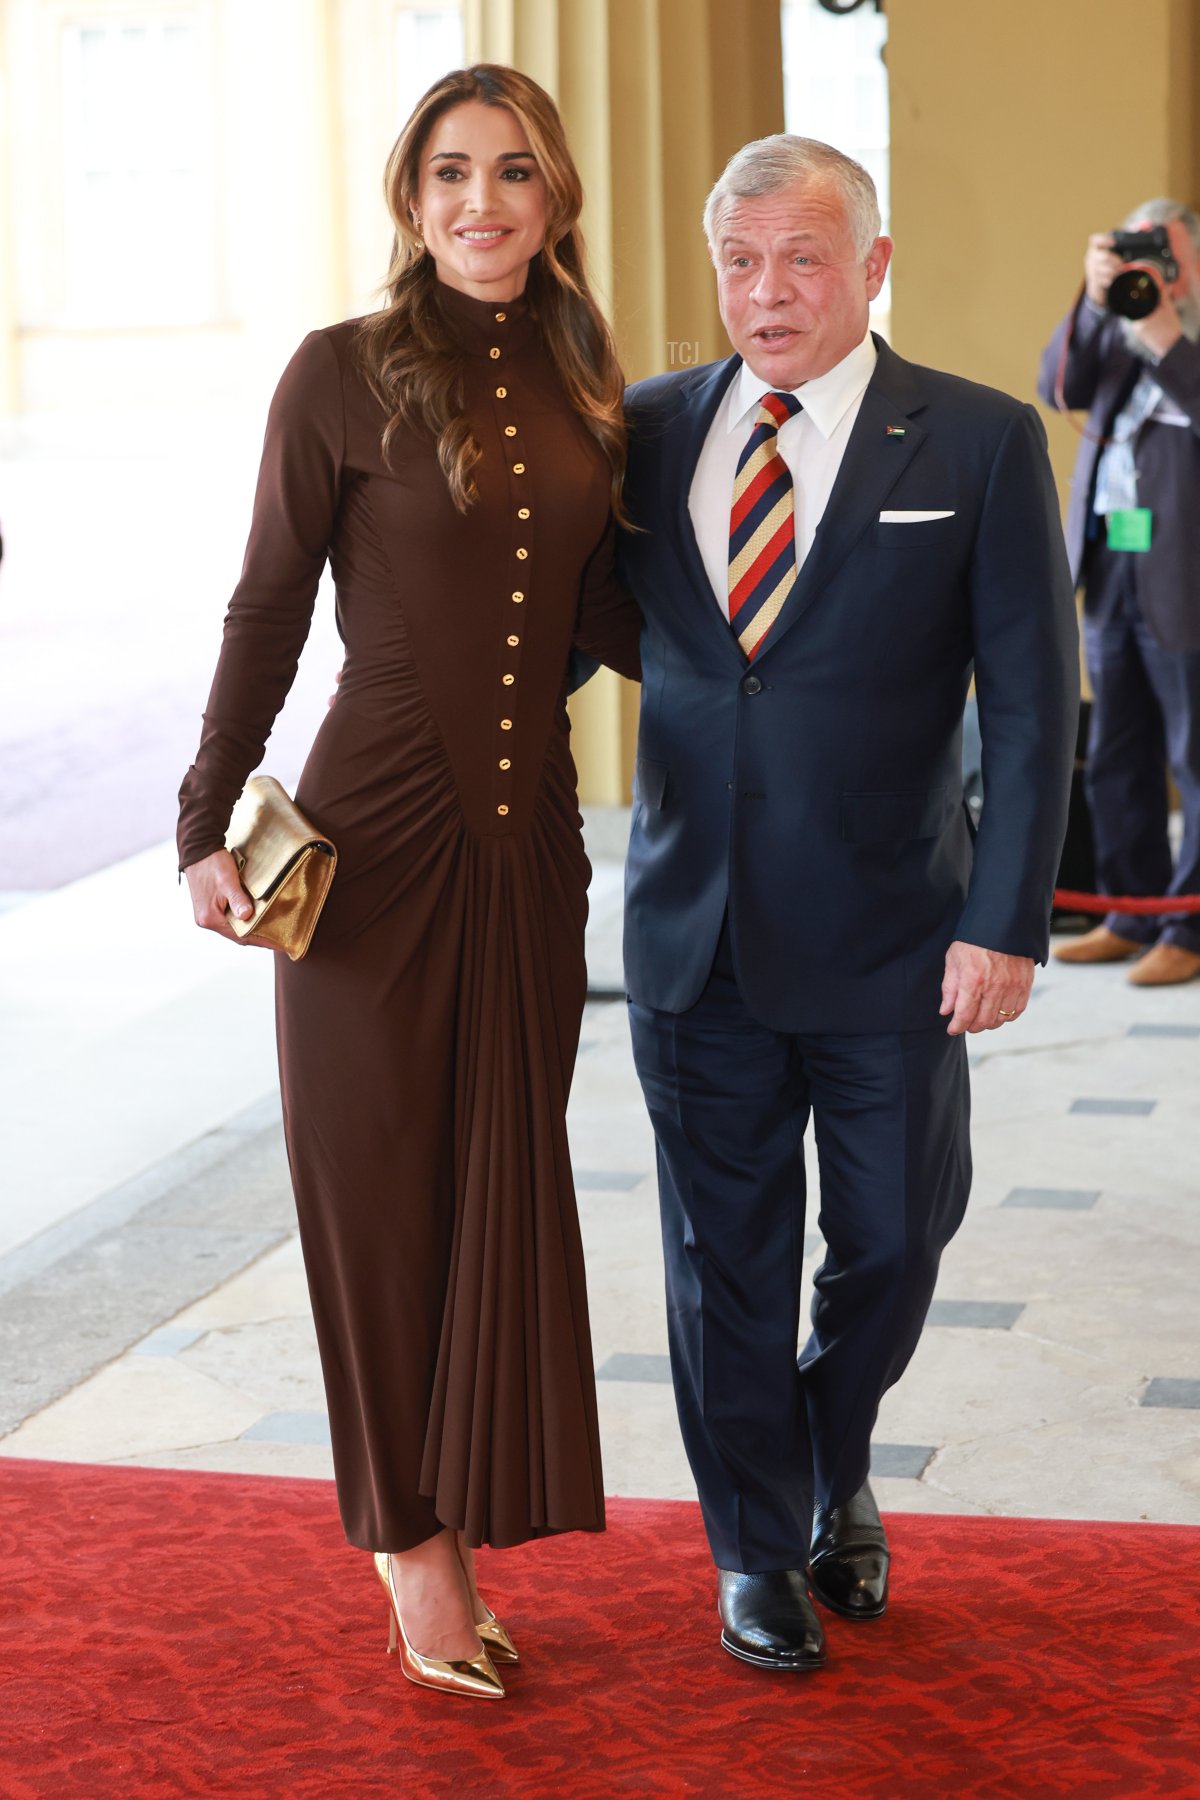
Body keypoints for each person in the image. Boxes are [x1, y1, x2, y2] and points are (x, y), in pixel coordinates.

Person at [178, 65, 639, 1702]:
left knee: (490, 1195)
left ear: (554, 194)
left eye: (513, 174)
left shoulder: (594, 376)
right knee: (376, 1207)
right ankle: (409, 1543)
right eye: (451, 172)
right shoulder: (338, 373)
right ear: (408, 193)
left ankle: (462, 1507)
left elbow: (612, 614)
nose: (482, 203)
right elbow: (265, 612)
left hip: (529, 863)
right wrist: (204, 819)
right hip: (369, 855)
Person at [617, 135, 1078, 1671]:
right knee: (719, 1266)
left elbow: (1033, 705)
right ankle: (759, 1547)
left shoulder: (978, 441)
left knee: (889, 1244)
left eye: (803, 257)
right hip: (698, 938)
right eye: (741, 261)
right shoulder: (643, 431)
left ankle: (830, 1458)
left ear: (872, 267)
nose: (768, 292)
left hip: (897, 938)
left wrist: (1006, 916)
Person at [1039, 200, 1200, 986]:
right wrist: (1094, 298)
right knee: (1116, 751)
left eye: (1163, 255)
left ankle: (1189, 927)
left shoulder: (1180, 337)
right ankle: (1129, 911)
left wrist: (1170, 344)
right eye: (1135, 253)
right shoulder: (1116, 324)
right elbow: (1057, 385)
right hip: (1111, 564)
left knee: (1193, 755)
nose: (1151, 271)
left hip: (1187, 574)